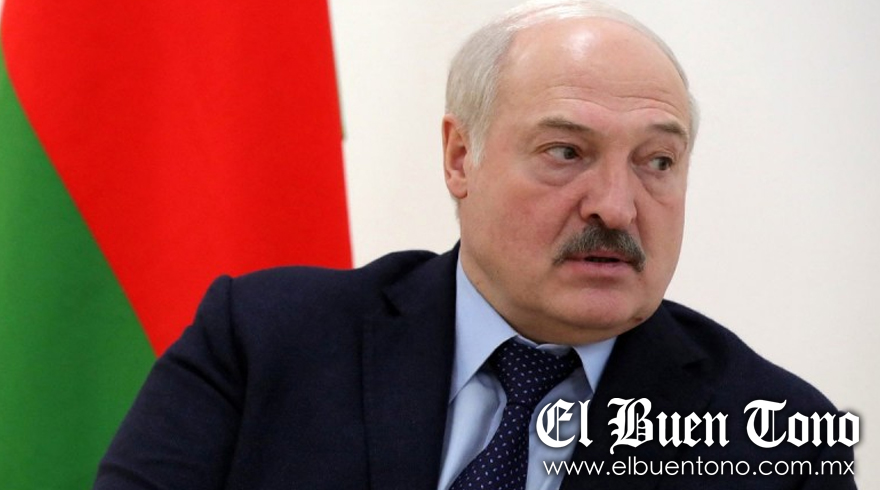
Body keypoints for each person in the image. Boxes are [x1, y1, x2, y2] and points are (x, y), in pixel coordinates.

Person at [94, 1, 857, 489]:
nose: (617, 205)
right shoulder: (264, 341)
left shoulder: (775, 441)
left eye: (657, 162)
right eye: (567, 152)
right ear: (461, 158)